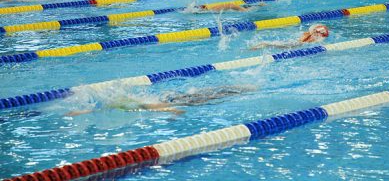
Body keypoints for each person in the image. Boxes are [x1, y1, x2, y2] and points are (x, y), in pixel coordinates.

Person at [66, 85, 256, 117]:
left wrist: (171, 111)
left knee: (215, 96)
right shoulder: (116, 101)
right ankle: (239, 87)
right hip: (170, 98)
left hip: (172, 102)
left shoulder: (118, 104)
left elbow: (147, 106)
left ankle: (241, 88)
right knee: (209, 93)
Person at [250, 24, 329, 50]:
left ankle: (262, 44)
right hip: (295, 44)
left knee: (273, 44)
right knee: (271, 45)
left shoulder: (306, 34)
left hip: (295, 43)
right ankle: (263, 44)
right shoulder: (313, 39)